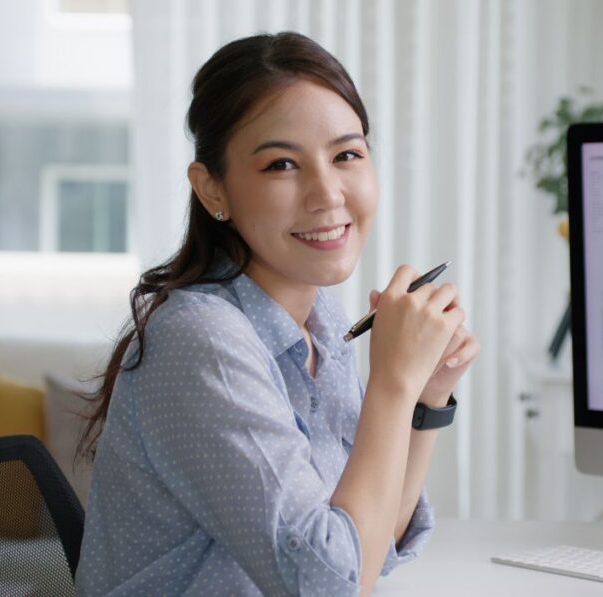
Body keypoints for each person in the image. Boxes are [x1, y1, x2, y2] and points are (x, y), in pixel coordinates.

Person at [75, 31, 479, 597]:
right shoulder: (202, 341)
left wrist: (426, 396)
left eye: (346, 155)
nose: (327, 193)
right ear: (213, 188)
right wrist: (392, 381)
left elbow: (368, 548)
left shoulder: (316, 324)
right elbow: (327, 585)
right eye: (282, 164)